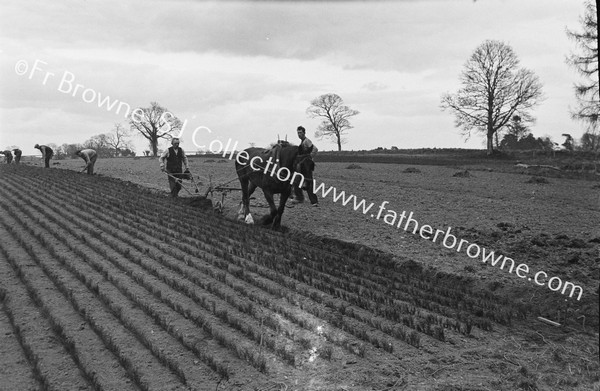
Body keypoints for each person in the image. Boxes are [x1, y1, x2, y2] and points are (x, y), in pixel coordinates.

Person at [291, 126, 319, 206]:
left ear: (304, 133)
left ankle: (314, 201)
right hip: (301, 166)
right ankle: (299, 198)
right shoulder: (302, 142)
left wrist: (309, 157)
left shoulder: (307, 141)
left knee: (308, 182)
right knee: (297, 181)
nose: (299, 134)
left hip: (307, 166)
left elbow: (315, 149)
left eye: (300, 132)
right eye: (298, 133)